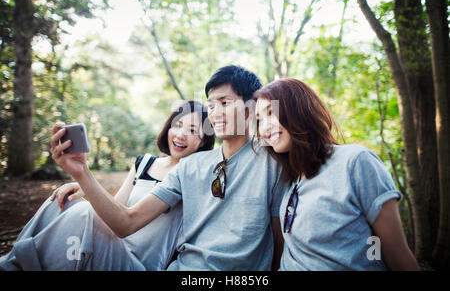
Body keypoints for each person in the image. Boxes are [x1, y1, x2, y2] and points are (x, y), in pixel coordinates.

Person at [48, 65, 288, 271]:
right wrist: (82, 174)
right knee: (77, 212)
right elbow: (126, 222)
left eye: (224, 103)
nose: (215, 113)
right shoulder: (189, 167)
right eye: (211, 105)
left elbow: (279, 241)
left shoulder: (272, 159)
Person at [0, 100, 215, 271]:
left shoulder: (192, 175)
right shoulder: (144, 163)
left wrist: (85, 177)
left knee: (85, 212)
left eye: (193, 130)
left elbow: (124, 224)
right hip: (110, 247)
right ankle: (12, 263)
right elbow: (115, 208)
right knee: (63, 201)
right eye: (177, 125)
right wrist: (86, 190)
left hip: (138, 264)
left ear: (204, 141)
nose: (180, 134)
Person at [253, 78, 420, 271]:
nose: (264, 128)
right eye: (259, 120)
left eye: (270, 113)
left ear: (298, 109)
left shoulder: (355, 162)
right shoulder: (291, 179)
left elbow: (398, 257)